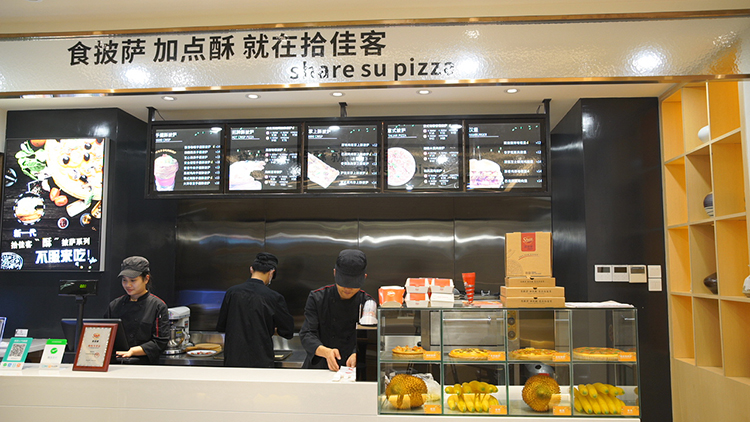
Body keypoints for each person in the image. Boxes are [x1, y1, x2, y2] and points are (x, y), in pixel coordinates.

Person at [299, 249, 374, 371]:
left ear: (364, 278)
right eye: (343, 283)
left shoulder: (368, 303)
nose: (347, 289)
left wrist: (358, 354)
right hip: (318, 367)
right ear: (334, 273)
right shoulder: (317, 298)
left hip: (351, 369)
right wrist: (326, 352)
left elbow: (369, 338)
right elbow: (307, 334)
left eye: (353, 284)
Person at [217, 252, 294, 368]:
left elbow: (221, 326)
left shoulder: (232, 292)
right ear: (271, 272)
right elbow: (288, 331)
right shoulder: (274, 297)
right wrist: (269, 328)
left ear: (251, 269)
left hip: (233, 360)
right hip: (261, 361)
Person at [105, 256, 169, 364]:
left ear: (146, 279)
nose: (128, 285)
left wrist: (133, 351)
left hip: (144, 364)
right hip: (115, 363)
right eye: (124, 280)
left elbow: (160, 342)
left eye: (133, 280)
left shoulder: (158, 306)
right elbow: (105, 335)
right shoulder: (114, 305)